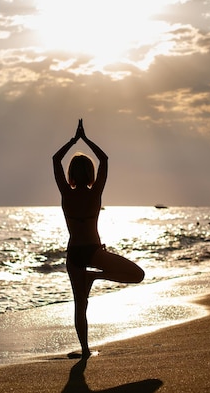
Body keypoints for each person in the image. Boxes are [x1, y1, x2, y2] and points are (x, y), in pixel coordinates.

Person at [53, 119, 145, 359]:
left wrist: (73, 141)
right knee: (137, 275)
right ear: (90, 173)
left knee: (80, 305)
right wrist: (85, 140)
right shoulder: (95, 193)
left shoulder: (66, 193)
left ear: (71, 173)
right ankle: (96, 276)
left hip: (74, 254)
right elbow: (104, 159)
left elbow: (55, 160)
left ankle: (85, 350)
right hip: (94, 251)